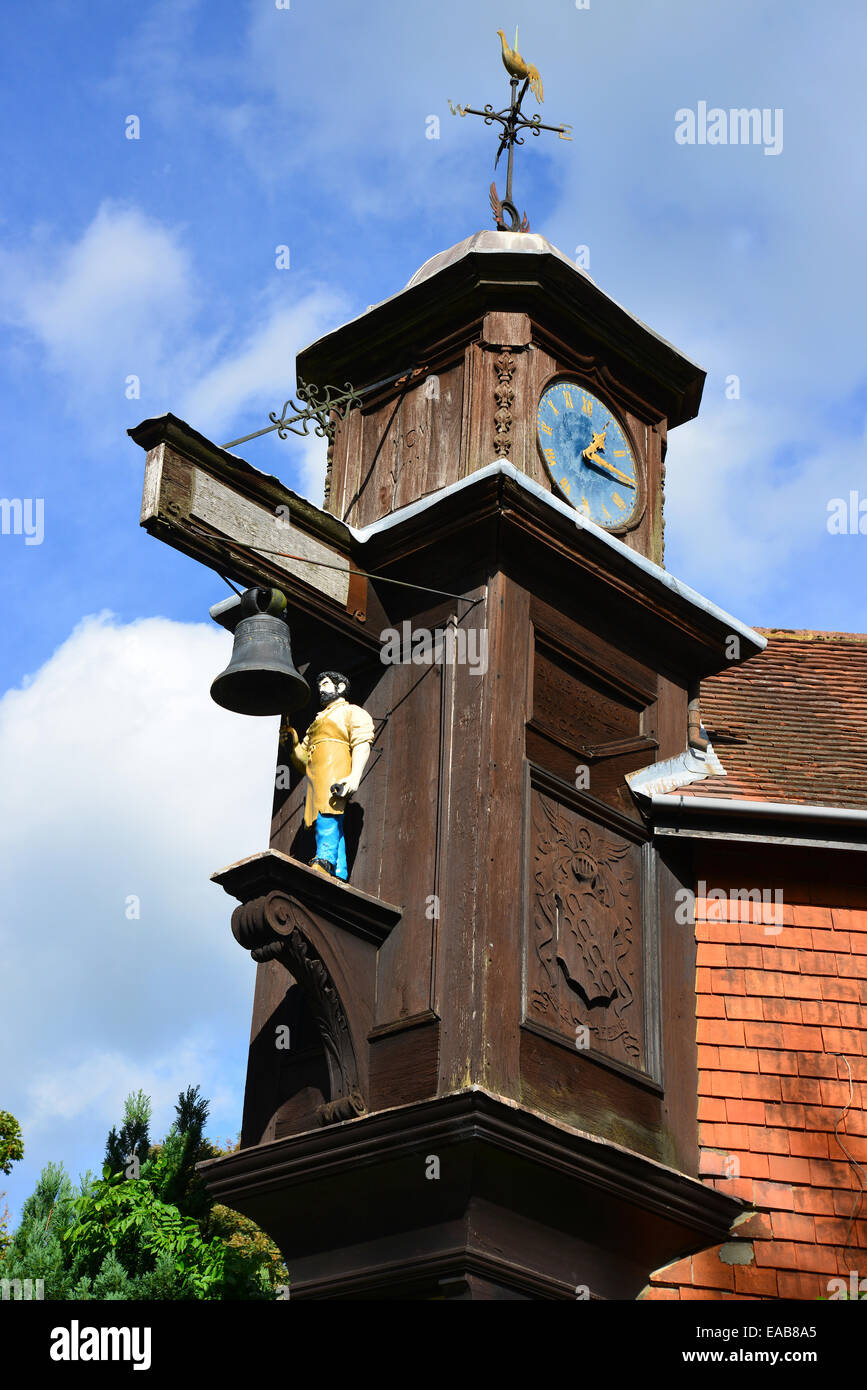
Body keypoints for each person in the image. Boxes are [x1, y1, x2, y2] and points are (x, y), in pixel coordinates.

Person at [281, 671, 374, 881]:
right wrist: (293, 746)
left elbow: (362, 743)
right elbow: (304, 761)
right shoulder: (317, 722)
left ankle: (325, 860)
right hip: (316, 777)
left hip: (335, 771)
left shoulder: (351, 712)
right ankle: (339, 870)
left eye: (325, 683)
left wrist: (354, 777)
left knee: (328, 815)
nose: (321, 688)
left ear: (340, 687)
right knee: (326, 818)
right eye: (320, 684)